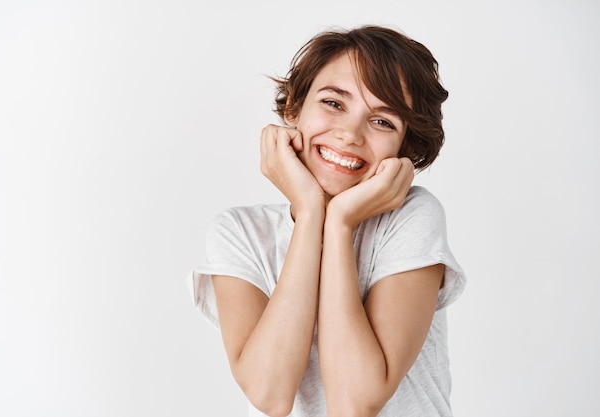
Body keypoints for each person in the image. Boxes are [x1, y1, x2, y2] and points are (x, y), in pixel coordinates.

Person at [188, 24, 466, 417]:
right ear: (294, 109)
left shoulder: (412, 218)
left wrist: (338, 224)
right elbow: (270, 394)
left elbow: (356, 403)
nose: (350, 134)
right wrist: (311, 210)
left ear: (406, 149)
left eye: (383, 121)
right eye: (334, 103)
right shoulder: (239, 234)